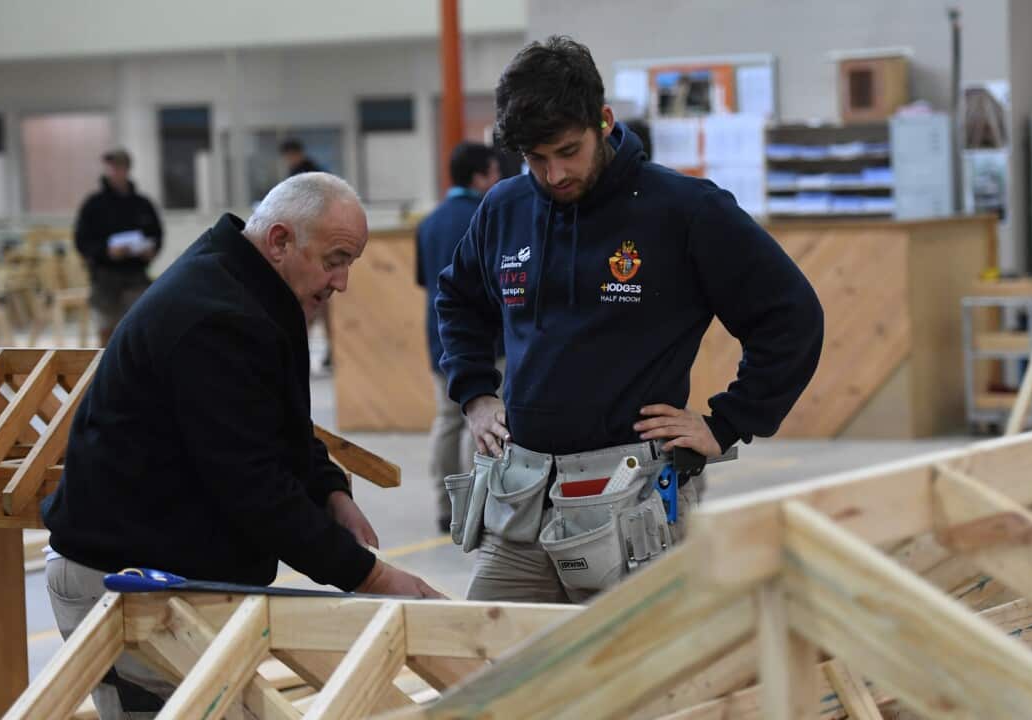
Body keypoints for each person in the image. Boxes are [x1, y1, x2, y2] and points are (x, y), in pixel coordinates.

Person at [436, 37, 824, 603]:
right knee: (485, 671)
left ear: (604, 121)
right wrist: (474, 393)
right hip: (521, 500)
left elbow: (792, 318)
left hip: (635, 502)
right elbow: (458, 298)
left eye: (568, 151)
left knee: (648, 681)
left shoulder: (686, 210)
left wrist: (726, 423)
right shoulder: (504, 208)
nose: (554, 173)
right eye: (536, 159)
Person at [43, 173, 442, 718]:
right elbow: (253, 486)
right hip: (125, 586)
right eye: (336, 259)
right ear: (279, 241)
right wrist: (368, 576)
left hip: (173, 578)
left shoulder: (255, 290)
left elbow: (284, 424)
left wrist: (330, 492)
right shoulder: (216, 318)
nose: (343, 282)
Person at [416, 142, 502, 534]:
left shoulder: (429, 222)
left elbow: (424, 281)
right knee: (480, 417)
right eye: (494, 172)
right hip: (484, 341)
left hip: (439, 338)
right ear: (480, 176)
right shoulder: (488, 216)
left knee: (447, 419)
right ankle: (473, 505)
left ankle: (442, 505)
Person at [73, 148, 163, 347]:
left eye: (119, 167)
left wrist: (151, 250)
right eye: (111, 167)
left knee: (142, 329)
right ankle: (106, 374)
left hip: (136, 276)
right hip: (105, 279)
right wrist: (106, 251)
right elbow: (82, 241)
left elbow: (156, 235)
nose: (115, 171)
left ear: (127, 169)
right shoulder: (93, 205)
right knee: (107, 331)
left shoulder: (142, 204)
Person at [279, 138, 334, 371]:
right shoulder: (312, 172)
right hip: (315, 245)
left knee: (313, 306)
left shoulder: (304, 175)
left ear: (294, 153)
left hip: (312, 246)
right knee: (316, 306)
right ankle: (317, 349)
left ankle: (307, 350)